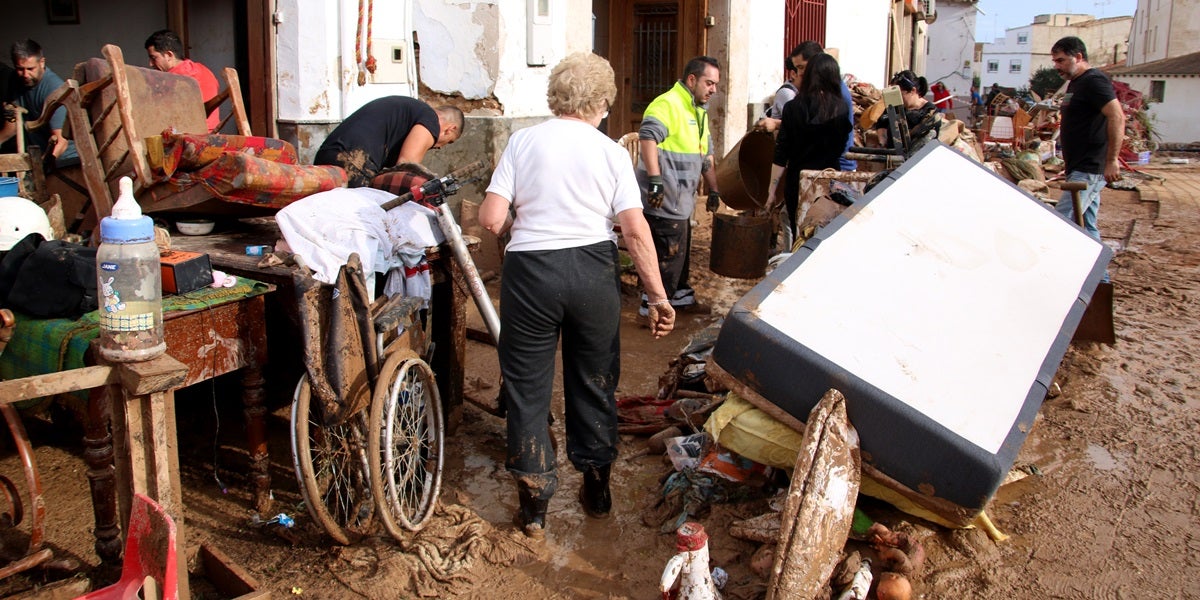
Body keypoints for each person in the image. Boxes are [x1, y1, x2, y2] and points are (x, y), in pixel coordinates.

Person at [478, 52, 675, 539]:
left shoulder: (522, 141)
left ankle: (534, 505)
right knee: (594, 379)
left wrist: (511, 230)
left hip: (530, 274)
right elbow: (634, 231)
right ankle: (597, 488)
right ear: (602, 102)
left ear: (556, 96)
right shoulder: (609, 151)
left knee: (527, 388)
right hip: (591, 272)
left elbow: (490, 219)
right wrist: (658, 296)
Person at [636, 56, 722, 316]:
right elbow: (648, 137)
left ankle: (681, 297)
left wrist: (714, 189)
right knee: (667, 256)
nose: (713, 90)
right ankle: (650, 306)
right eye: (709, 83)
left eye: (716, 84)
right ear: (692, 79)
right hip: (662, 198)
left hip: (681, 200)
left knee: (680, 256)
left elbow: (705, 154)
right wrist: (655, 181)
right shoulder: (668, 104)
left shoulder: (699, 111)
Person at [765, 53, 852, 241]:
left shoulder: (792, 108)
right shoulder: (842, 108)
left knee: (800, 235)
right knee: (825, 236)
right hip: (829, 182)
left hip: (798, 183)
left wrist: (771, 192)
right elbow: (844, 146)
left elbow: (781, 153)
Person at [1050, 36, 1124, 244]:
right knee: (1087, 225)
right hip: (1078, 166)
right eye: (1055, 61)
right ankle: (1101, 276)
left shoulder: (1094, 81)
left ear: (1079, 57)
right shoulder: (1075, 83)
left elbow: (1117, 116)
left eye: (1062, 60)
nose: (1057, 66)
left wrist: (1112, 161)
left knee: (1062, 221)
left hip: (1090, 166)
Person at [313, 96, 463, 187]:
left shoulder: (410, 111)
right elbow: (406, 168)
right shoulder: (430, 120)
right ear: (450, 129)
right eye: (449, 142)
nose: (440, 148)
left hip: (328, 154)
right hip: (353, 162)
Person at [0, 40, 78, 173]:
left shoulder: (53, 89)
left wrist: (40, 170)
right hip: (37, 156)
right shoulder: (16, 80)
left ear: (42, 62)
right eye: (20, 69)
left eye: (30, 69)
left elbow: (61, 142)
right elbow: (13, 125)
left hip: (64, 161)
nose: (25, 75)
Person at [145, 29, 221, 132]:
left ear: (169, 55)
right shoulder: (204, 70)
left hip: (189, 138)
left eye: (154, 58)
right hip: (214, 134)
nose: (151, 64)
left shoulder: (171, 80)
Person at [753, 41, 819, 133]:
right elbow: (797, 123)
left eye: (802, 67)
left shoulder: (827, 92)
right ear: (793, 73)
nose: (801, 73)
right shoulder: (787, 93)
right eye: (799, 68)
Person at [874, 70, 939, 150]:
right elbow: (881, 123)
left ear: (913, 91)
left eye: (900, 94)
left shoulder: (929, 111)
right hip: (891, 155)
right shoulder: (894, 105)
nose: (896, 98)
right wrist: (882, 142)